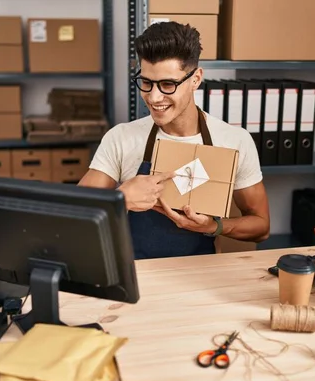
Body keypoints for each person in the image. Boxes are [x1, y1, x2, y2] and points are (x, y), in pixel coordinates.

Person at [78, 21, 270, 259]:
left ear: (196, 79)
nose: (154, 97)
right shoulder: (121, 138)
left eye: (168, 84)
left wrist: (214, 227)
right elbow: (77, 213)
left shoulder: (234, 141)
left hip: (199, 278)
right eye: (146, 82)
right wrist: (121, 198)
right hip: (135, 276)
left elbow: (261, 227)